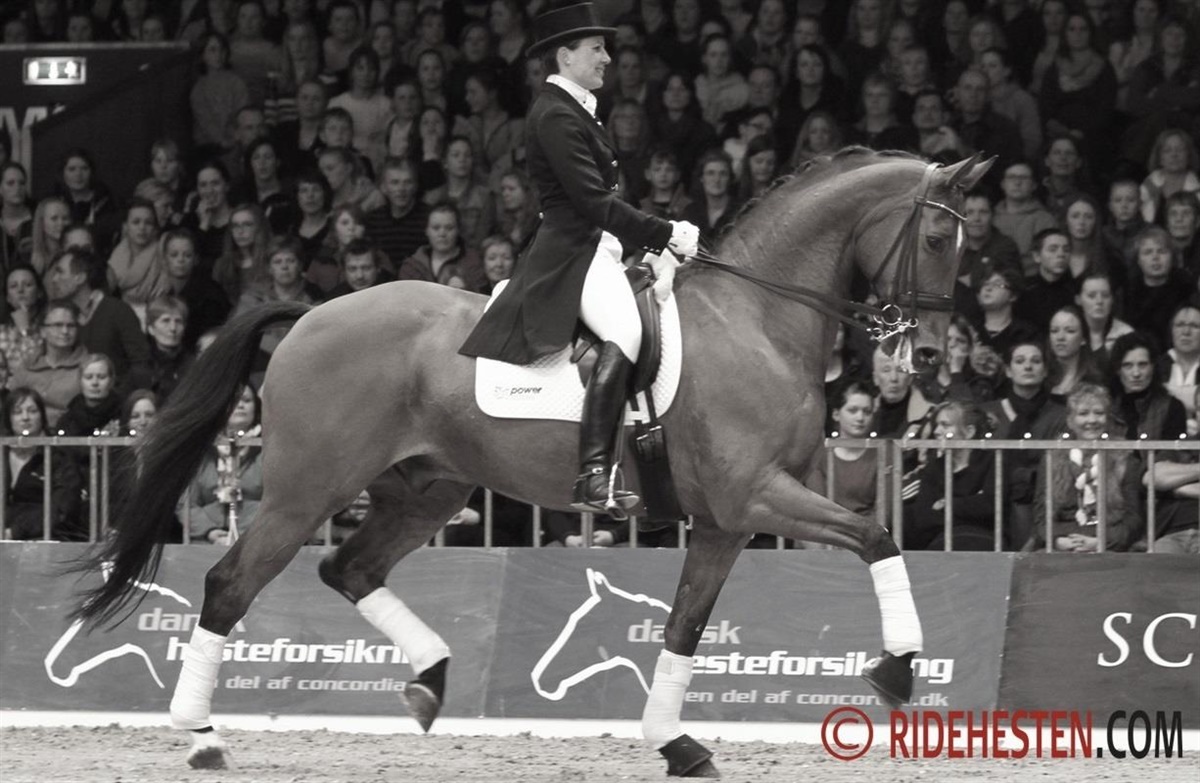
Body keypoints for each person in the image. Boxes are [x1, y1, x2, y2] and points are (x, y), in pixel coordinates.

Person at [459, 3, 698, 517]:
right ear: (565, 55)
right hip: (571, 253)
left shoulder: (575, 108)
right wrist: (664, 233)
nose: (607, 58)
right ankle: (592, 475)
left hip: (595, 248)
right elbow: (592, 202)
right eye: (597, 48)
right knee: (626, 332)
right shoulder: (554, 113)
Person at [1031, 383, 1142, 552]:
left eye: (1099, 413)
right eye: (1083, 413)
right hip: (1062, 539)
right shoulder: (1052, 457)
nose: (1092, 420)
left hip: (1110, 541)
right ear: (1070, 420)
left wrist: (1100, 542)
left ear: (1108, 418)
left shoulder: (1124, 456)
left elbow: (1133, 518)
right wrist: (1057, 541)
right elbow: (1041, 517)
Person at [44, 248, 149, 389]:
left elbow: (141, 363)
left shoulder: (117, 310)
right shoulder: (64, 318)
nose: (54, 279)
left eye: (60, 272)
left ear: (80, 278)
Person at [903, 401, 1001, 551]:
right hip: (939, 542)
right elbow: (924, 516)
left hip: (983, 542)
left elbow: (991, 506)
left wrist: (946, 504)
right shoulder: (935, 467)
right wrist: (971, 506)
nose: (937, 431)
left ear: (969, 432)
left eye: (945, 425)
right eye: (937, 425)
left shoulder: (993, 461)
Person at [178, 384, 264, 544]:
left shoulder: (267, 449)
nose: (240, 405)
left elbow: (280, 505)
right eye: (234, 400)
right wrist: (209, 532)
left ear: (256, 408)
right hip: (206, 542)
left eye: (246, 400)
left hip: (257, 541)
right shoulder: (201, 450)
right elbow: (185, 504)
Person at [1, 387, 83, 541]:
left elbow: (62, 508)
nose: (25, 417)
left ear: (42, 416)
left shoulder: (59, 455)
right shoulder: (2, 452)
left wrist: (14, 532)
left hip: (47, 537)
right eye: (17, 412)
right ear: (8, 419)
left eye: (32, 411)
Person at [806, 379, 882, 524]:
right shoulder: (819, 453)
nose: (860, 418)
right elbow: (817, 508)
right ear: (836, 414)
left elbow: (884, 513)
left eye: (867, 411)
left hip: (867, 532)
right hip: (825, 530)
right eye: (853, 410)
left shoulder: (884, 454)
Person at [7, 299, 87, 427]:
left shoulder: (88, 366)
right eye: (58, 325)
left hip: (71, 435)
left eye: (71, 326)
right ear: (42, 331)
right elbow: (11, 407)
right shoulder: (26, 367)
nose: (65, 331)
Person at [1142, 386, 1200, 553]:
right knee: (1153, 564)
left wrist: (1176, 487)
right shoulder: (1183, 446)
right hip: (1171, 534)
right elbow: (1152, 478)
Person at [159, 228, 230, 352]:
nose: (180, 260)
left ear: (196, 259)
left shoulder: (211, 295)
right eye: (174, 255)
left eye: (187, 255)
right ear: (164, 259)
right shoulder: (161, 292)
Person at [1110, 330, 1188, 441]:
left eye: (1142, 365)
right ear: (1118, 370)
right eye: (1128, 365)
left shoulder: (1172, 407)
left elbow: (1172, 450)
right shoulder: (1107, 407)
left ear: (1153, 367)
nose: (1136, 373)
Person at [1123, 225, 1191, 349]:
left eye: (1162, 251)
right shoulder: (1127, 293)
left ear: (1172, 257)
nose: (1155, 257)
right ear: (1138, 260)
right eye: (1148, 252)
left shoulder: (1187, 290)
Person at [423, 136, 495, 251]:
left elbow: (481, 238)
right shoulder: (431, 198)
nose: (462, 159)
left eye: (467, 155)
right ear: (445, 163)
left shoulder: (484, 197)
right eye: (456, 155)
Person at [106, 199, 169, 327]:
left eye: (148, 223)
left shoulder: (164, 254)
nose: (142, 228)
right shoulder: (116, 255)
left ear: (155, 228)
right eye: (136, 222)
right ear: (126, 226)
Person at [399, 203, 486, 291]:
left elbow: (482, 297)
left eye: (449, 228)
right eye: (436, 228)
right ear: (426, 230)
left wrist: (466, 289)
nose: (442, 234)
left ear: (458, 230)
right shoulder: (411, 267)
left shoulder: (473, 262)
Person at [364, 157, 430, 272]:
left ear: (416, 185)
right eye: (395, 182)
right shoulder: (373, 220)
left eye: (408, 182)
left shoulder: (430, 218)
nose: (401, 189)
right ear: (383, 187)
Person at [129, 295, 195, 402]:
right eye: (166, 321)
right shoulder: (139, 370)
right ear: (151, 328)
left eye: (178, 321)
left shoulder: (194, 366)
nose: (173, 328)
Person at [1015, 227, 1074, 336]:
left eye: (1066, 250)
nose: (1061, 254)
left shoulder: (1076, 290)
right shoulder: (1023, 290)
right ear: (1037, 256)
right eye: (1053, 249)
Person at [957, 190, 1022, 287]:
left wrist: (970, 280)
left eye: (983, 212)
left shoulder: (1006, 247)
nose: (976, 218)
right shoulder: (952, 247)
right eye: (969, 213)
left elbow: (1011, 283)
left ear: (993, 215)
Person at [1139, 128, 1200, 225]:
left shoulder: (1197, 191)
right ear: (1160, 157)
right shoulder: (1147, 187)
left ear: (1189, 155)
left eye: (1180, 149)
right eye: (1167, 150)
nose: (1174, 154)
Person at [56, 353, 122, 436]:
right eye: (88, 377)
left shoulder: (124, 415)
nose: (95, 383)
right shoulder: (67, 420)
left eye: (101, 377)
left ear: (111, 381)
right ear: (80, 381)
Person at [0, 264, 46, 370]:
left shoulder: (52, 326)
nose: (20, 290)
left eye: (28, 285)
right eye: (13, 286)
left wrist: (25, 331)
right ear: (7, 297)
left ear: (39, 292)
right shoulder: (1, 332)